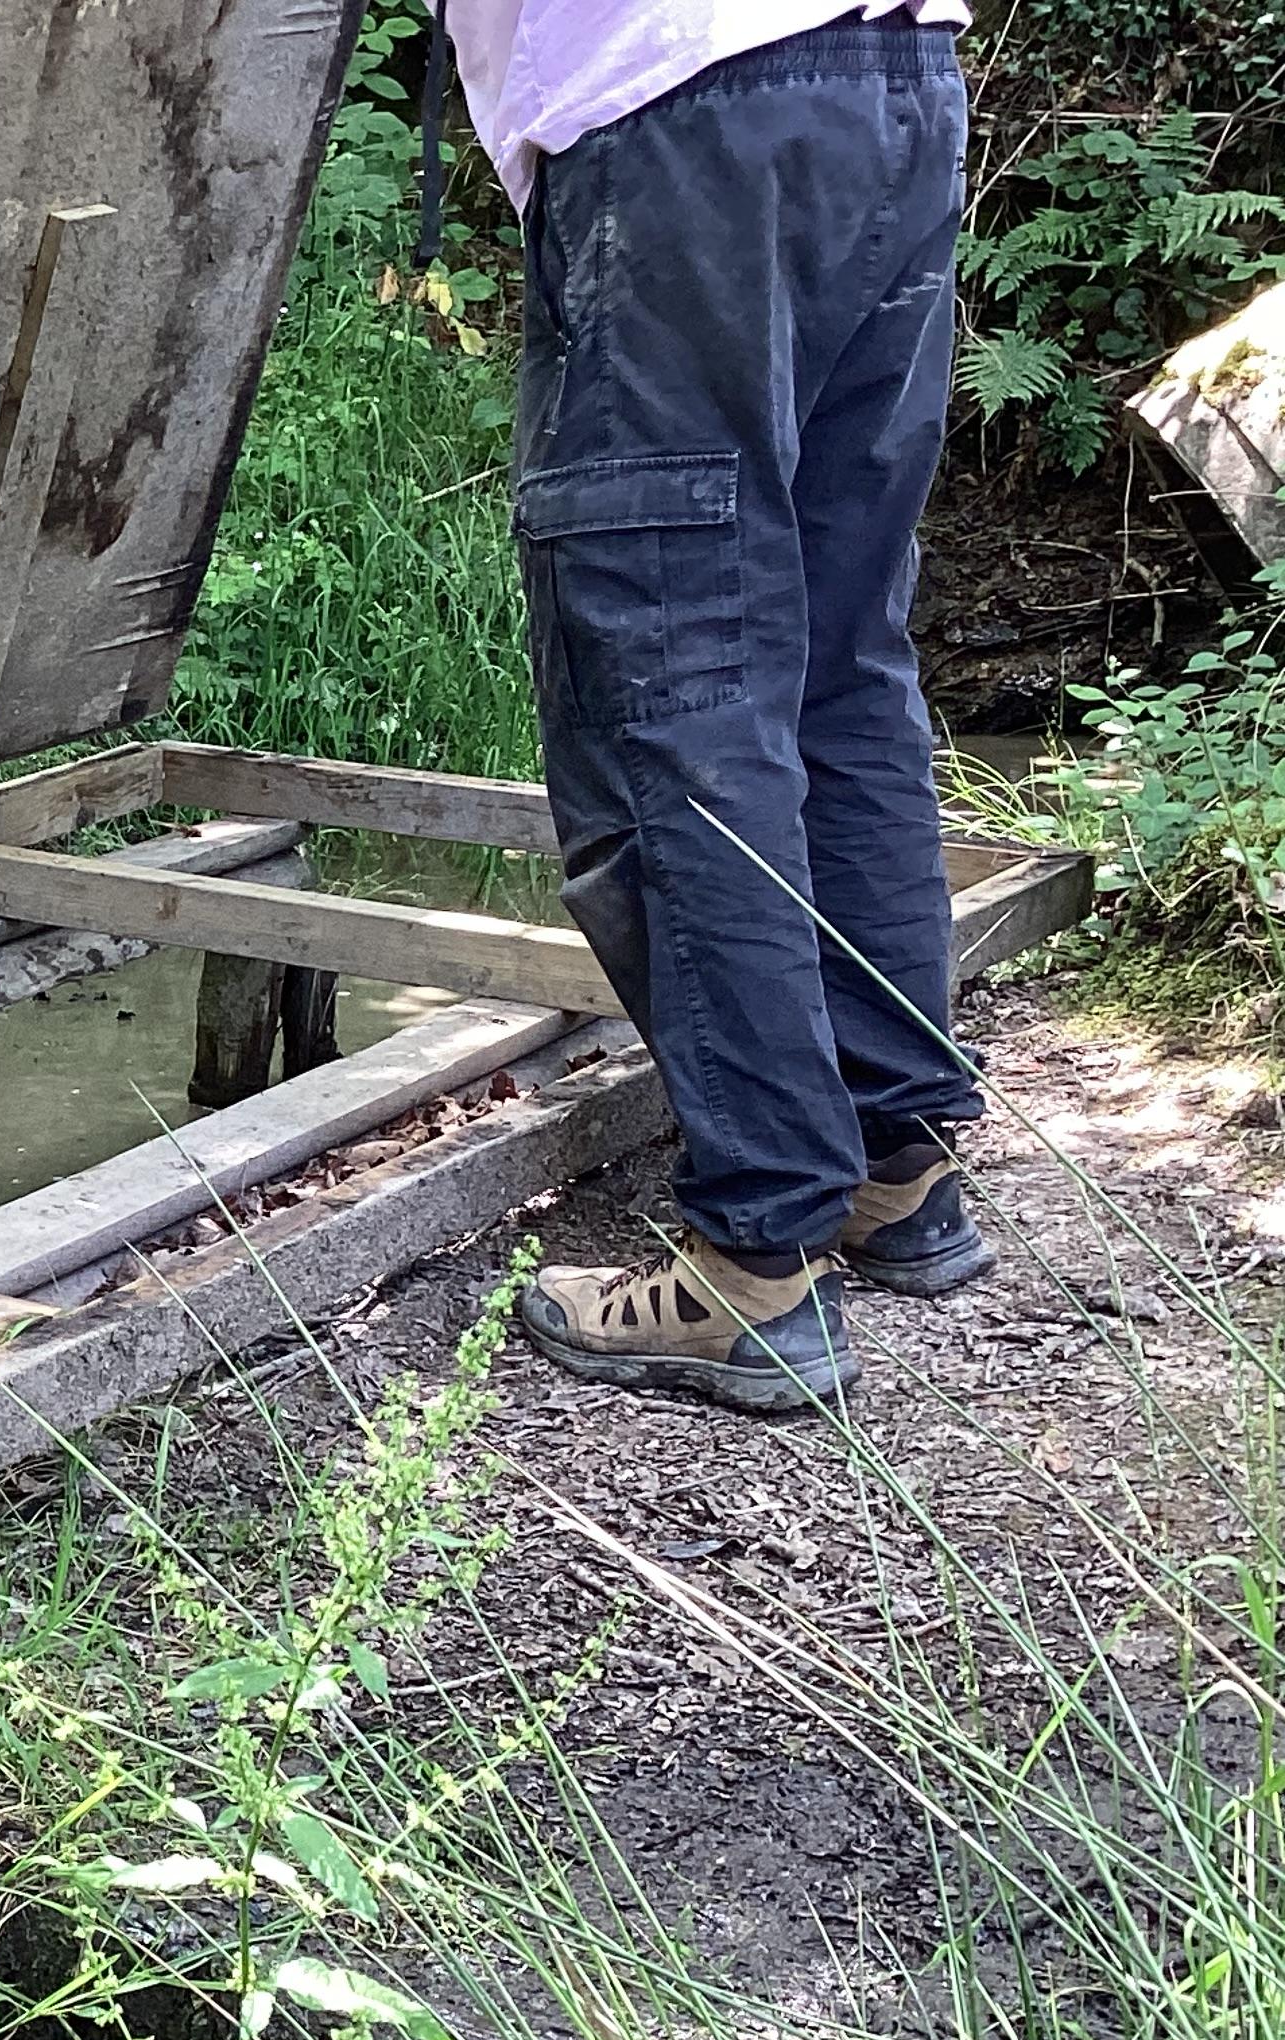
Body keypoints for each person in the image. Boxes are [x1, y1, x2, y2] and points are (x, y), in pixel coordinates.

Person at [450, 3, 994, 1412]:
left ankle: (758, 1262)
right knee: (838, 660)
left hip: (681, 111)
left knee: (672, 683)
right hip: (891, 78)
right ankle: (894, 1162)